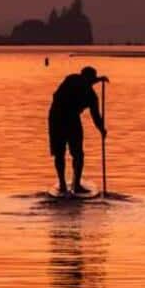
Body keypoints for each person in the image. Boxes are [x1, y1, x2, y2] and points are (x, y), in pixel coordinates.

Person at [48, 65, 107, 195]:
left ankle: (77, 184)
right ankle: (62, 184)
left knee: (78, 154)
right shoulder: (72, 79)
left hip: (71, 119)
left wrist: (102, 129)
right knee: (59, 152)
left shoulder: (91, 96)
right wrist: (99, 80)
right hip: (57, 117)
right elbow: (83, 82)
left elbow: (96, 116)